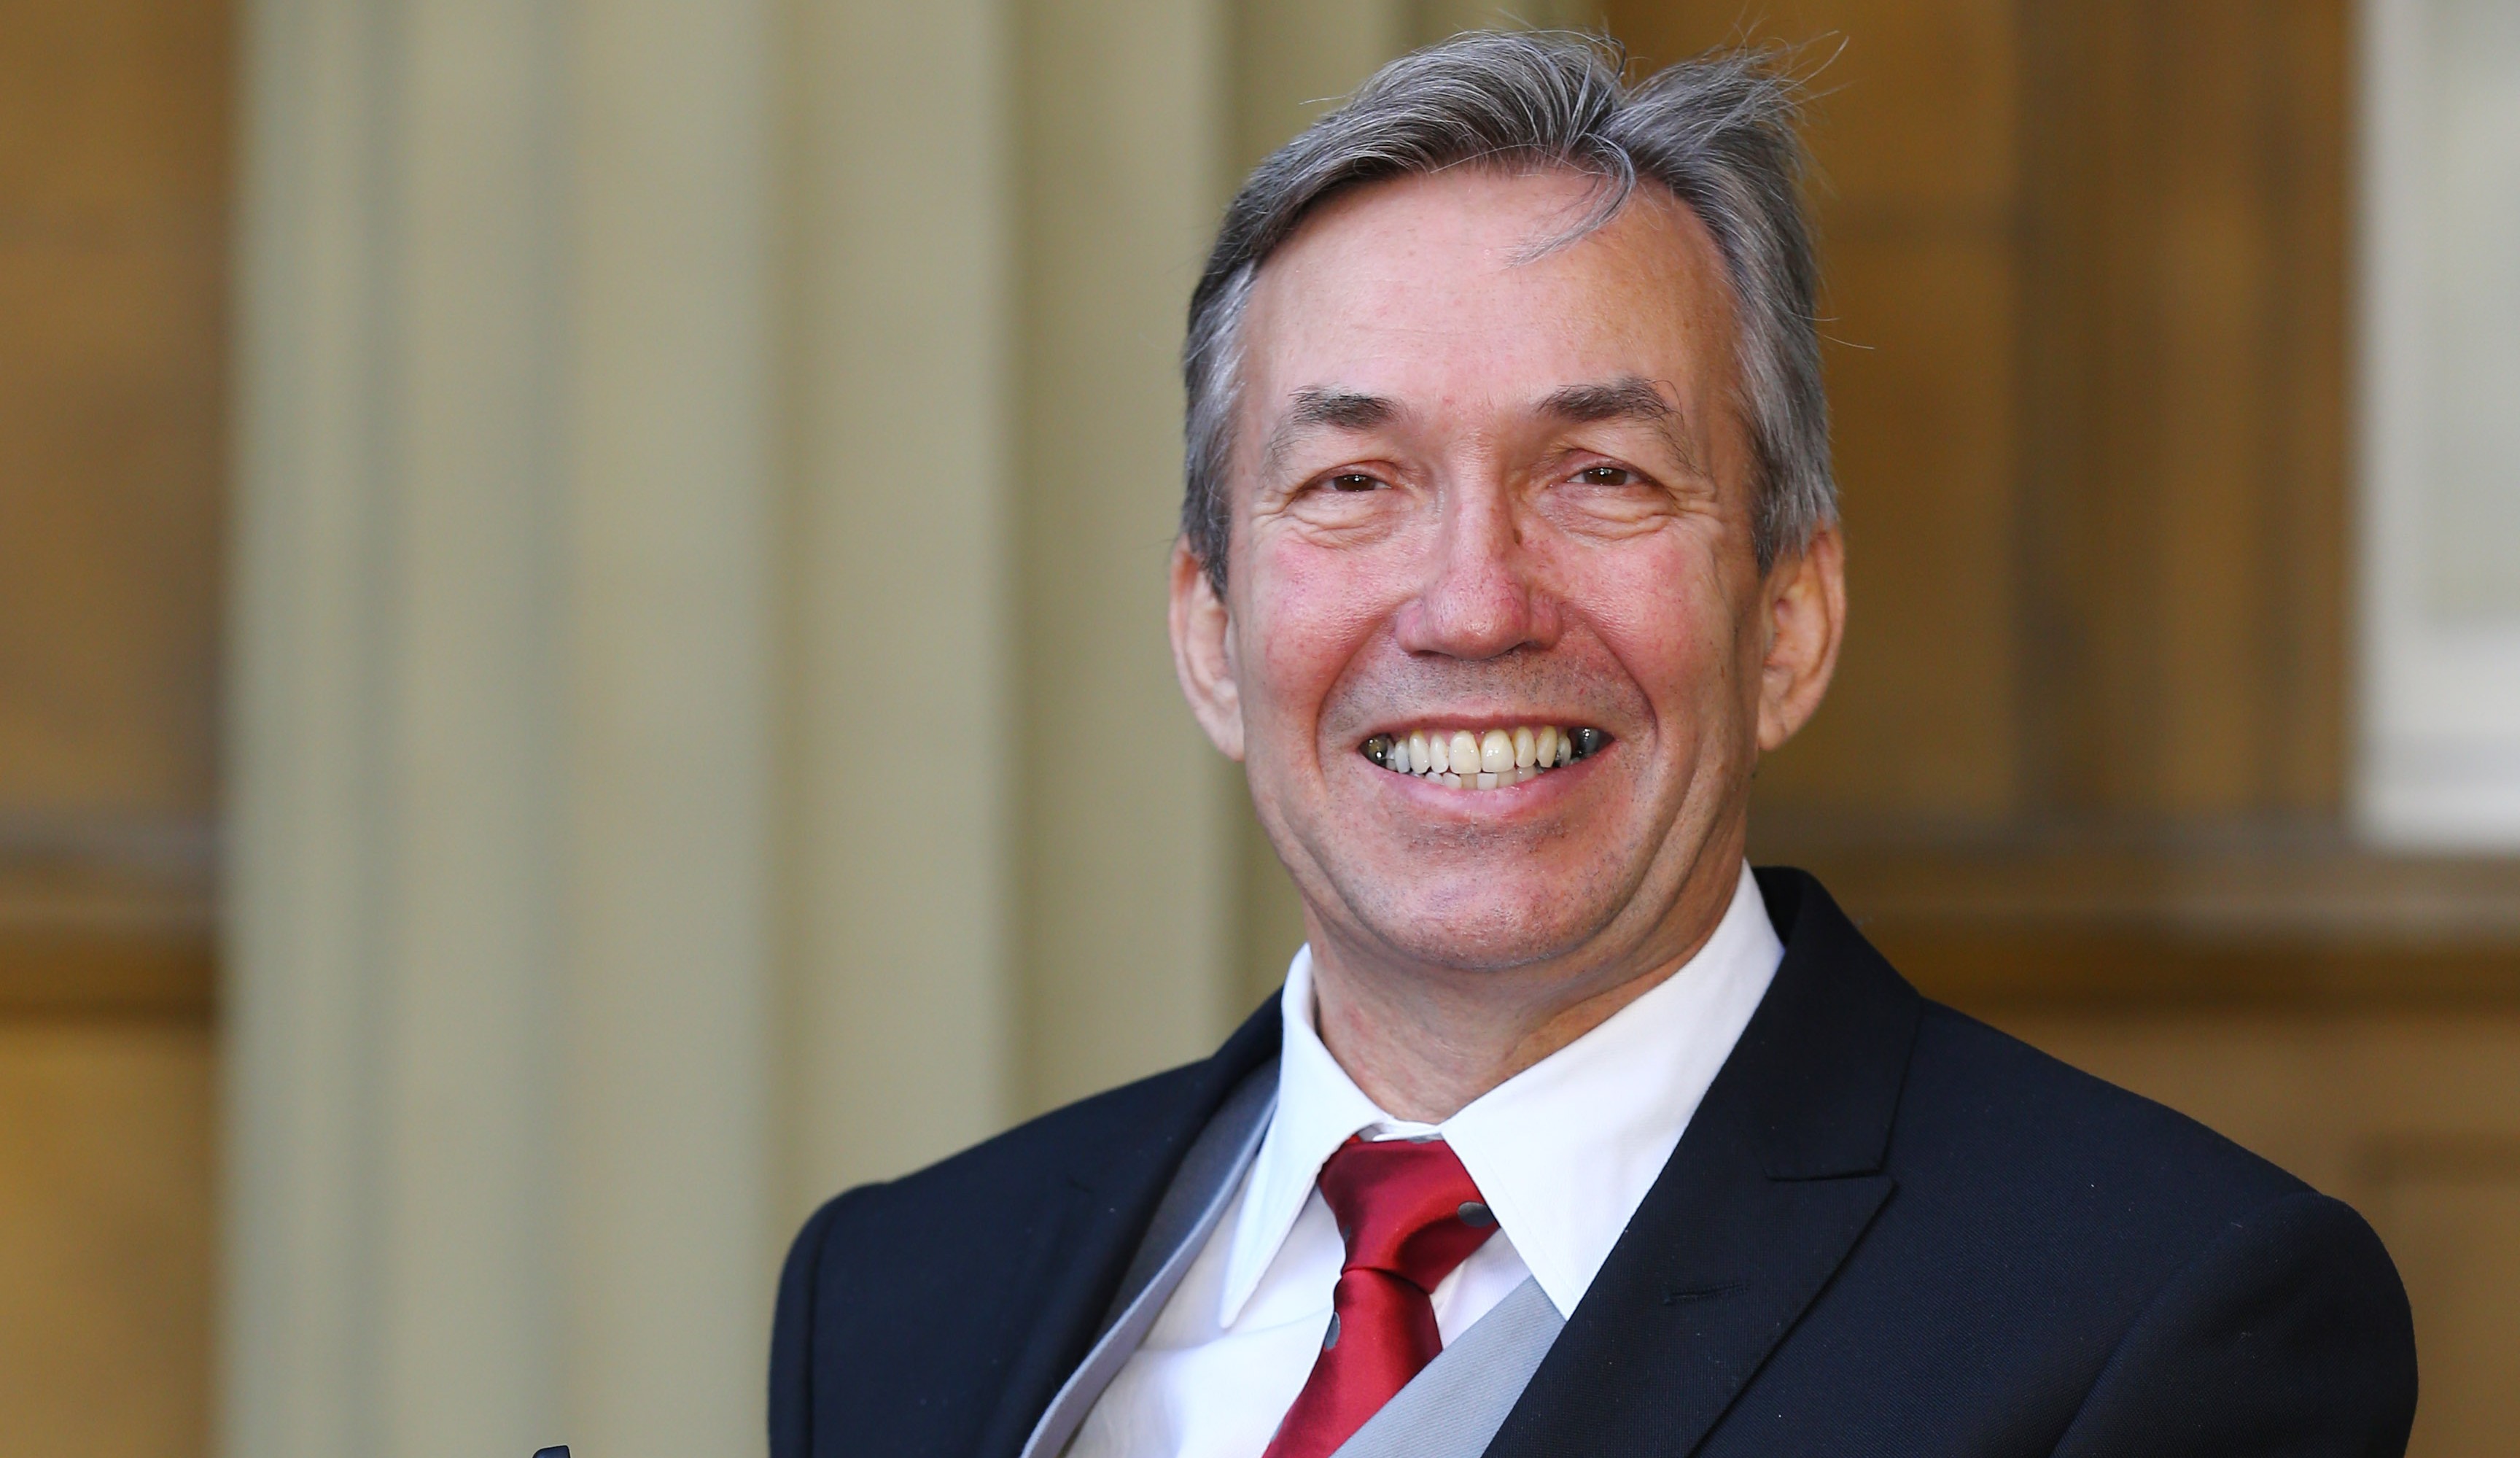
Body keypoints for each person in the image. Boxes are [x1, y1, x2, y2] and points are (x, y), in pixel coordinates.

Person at [769, 32, 2416, 1458]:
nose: (1474, 605)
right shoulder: (902, 1293)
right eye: (1352, 483)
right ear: (1210, 630)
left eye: (1603, 476)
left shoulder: (2165, 1311)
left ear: (1788, 618)